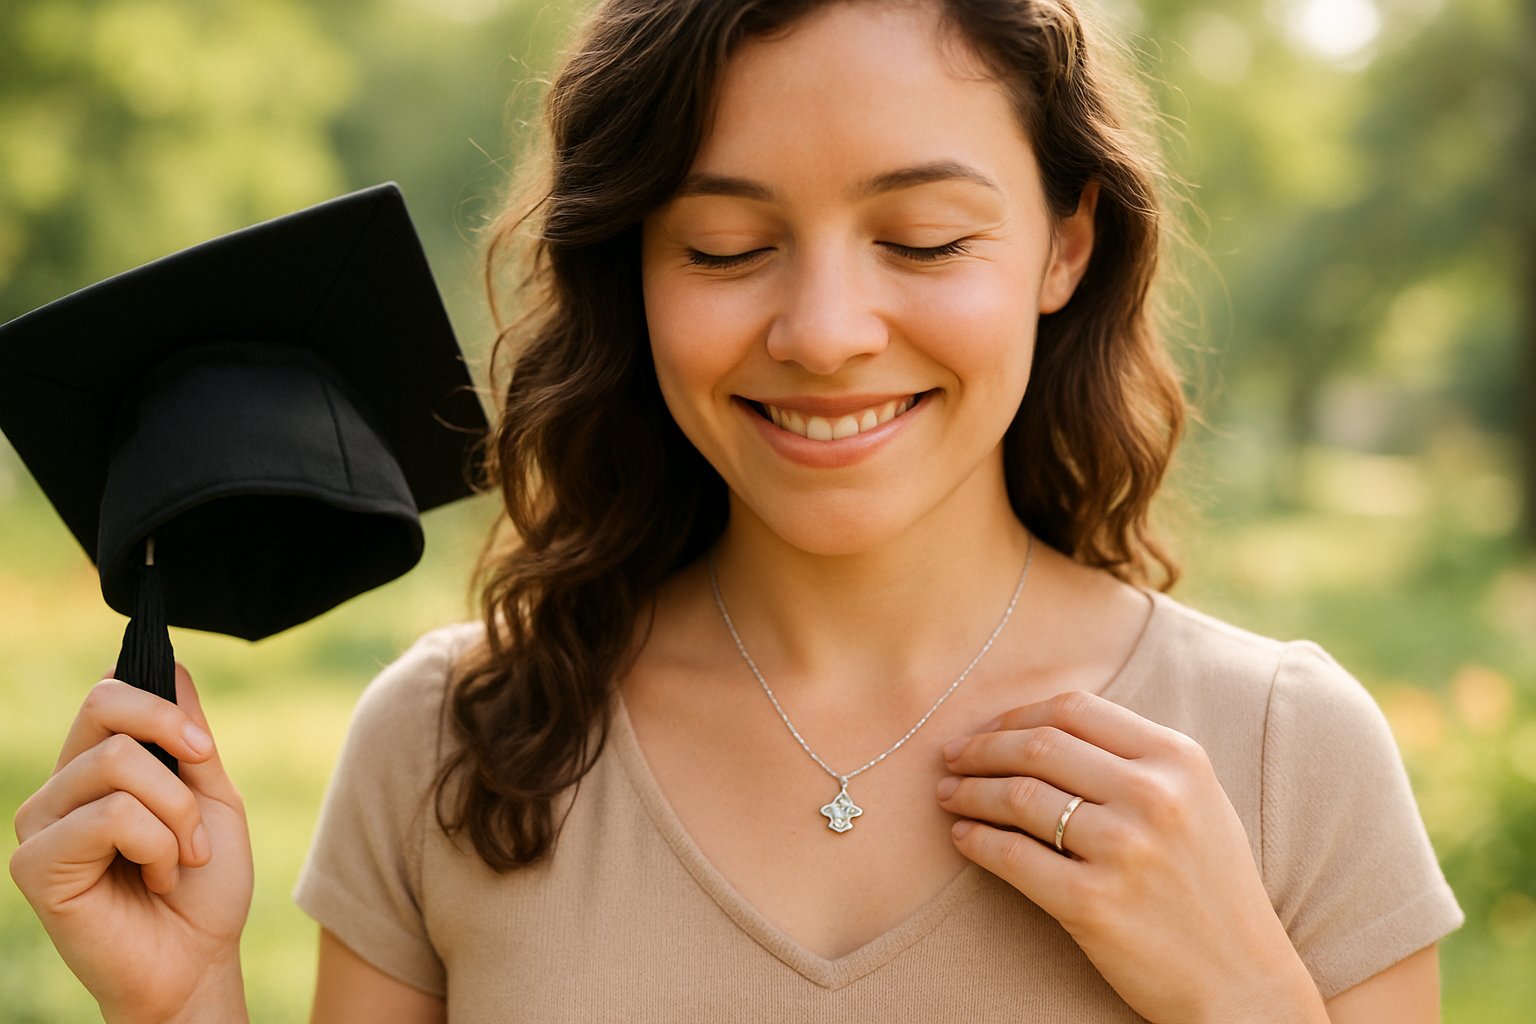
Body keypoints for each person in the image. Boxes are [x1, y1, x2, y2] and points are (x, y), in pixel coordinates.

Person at [9, 0, 1463, 1020]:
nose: (825, 330)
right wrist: (179, 1001)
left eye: (922, 237)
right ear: (630, 272)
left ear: (1066, 242)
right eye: (723, 246)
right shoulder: (456, 744)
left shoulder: (1283, 759)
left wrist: (1243, 1002)